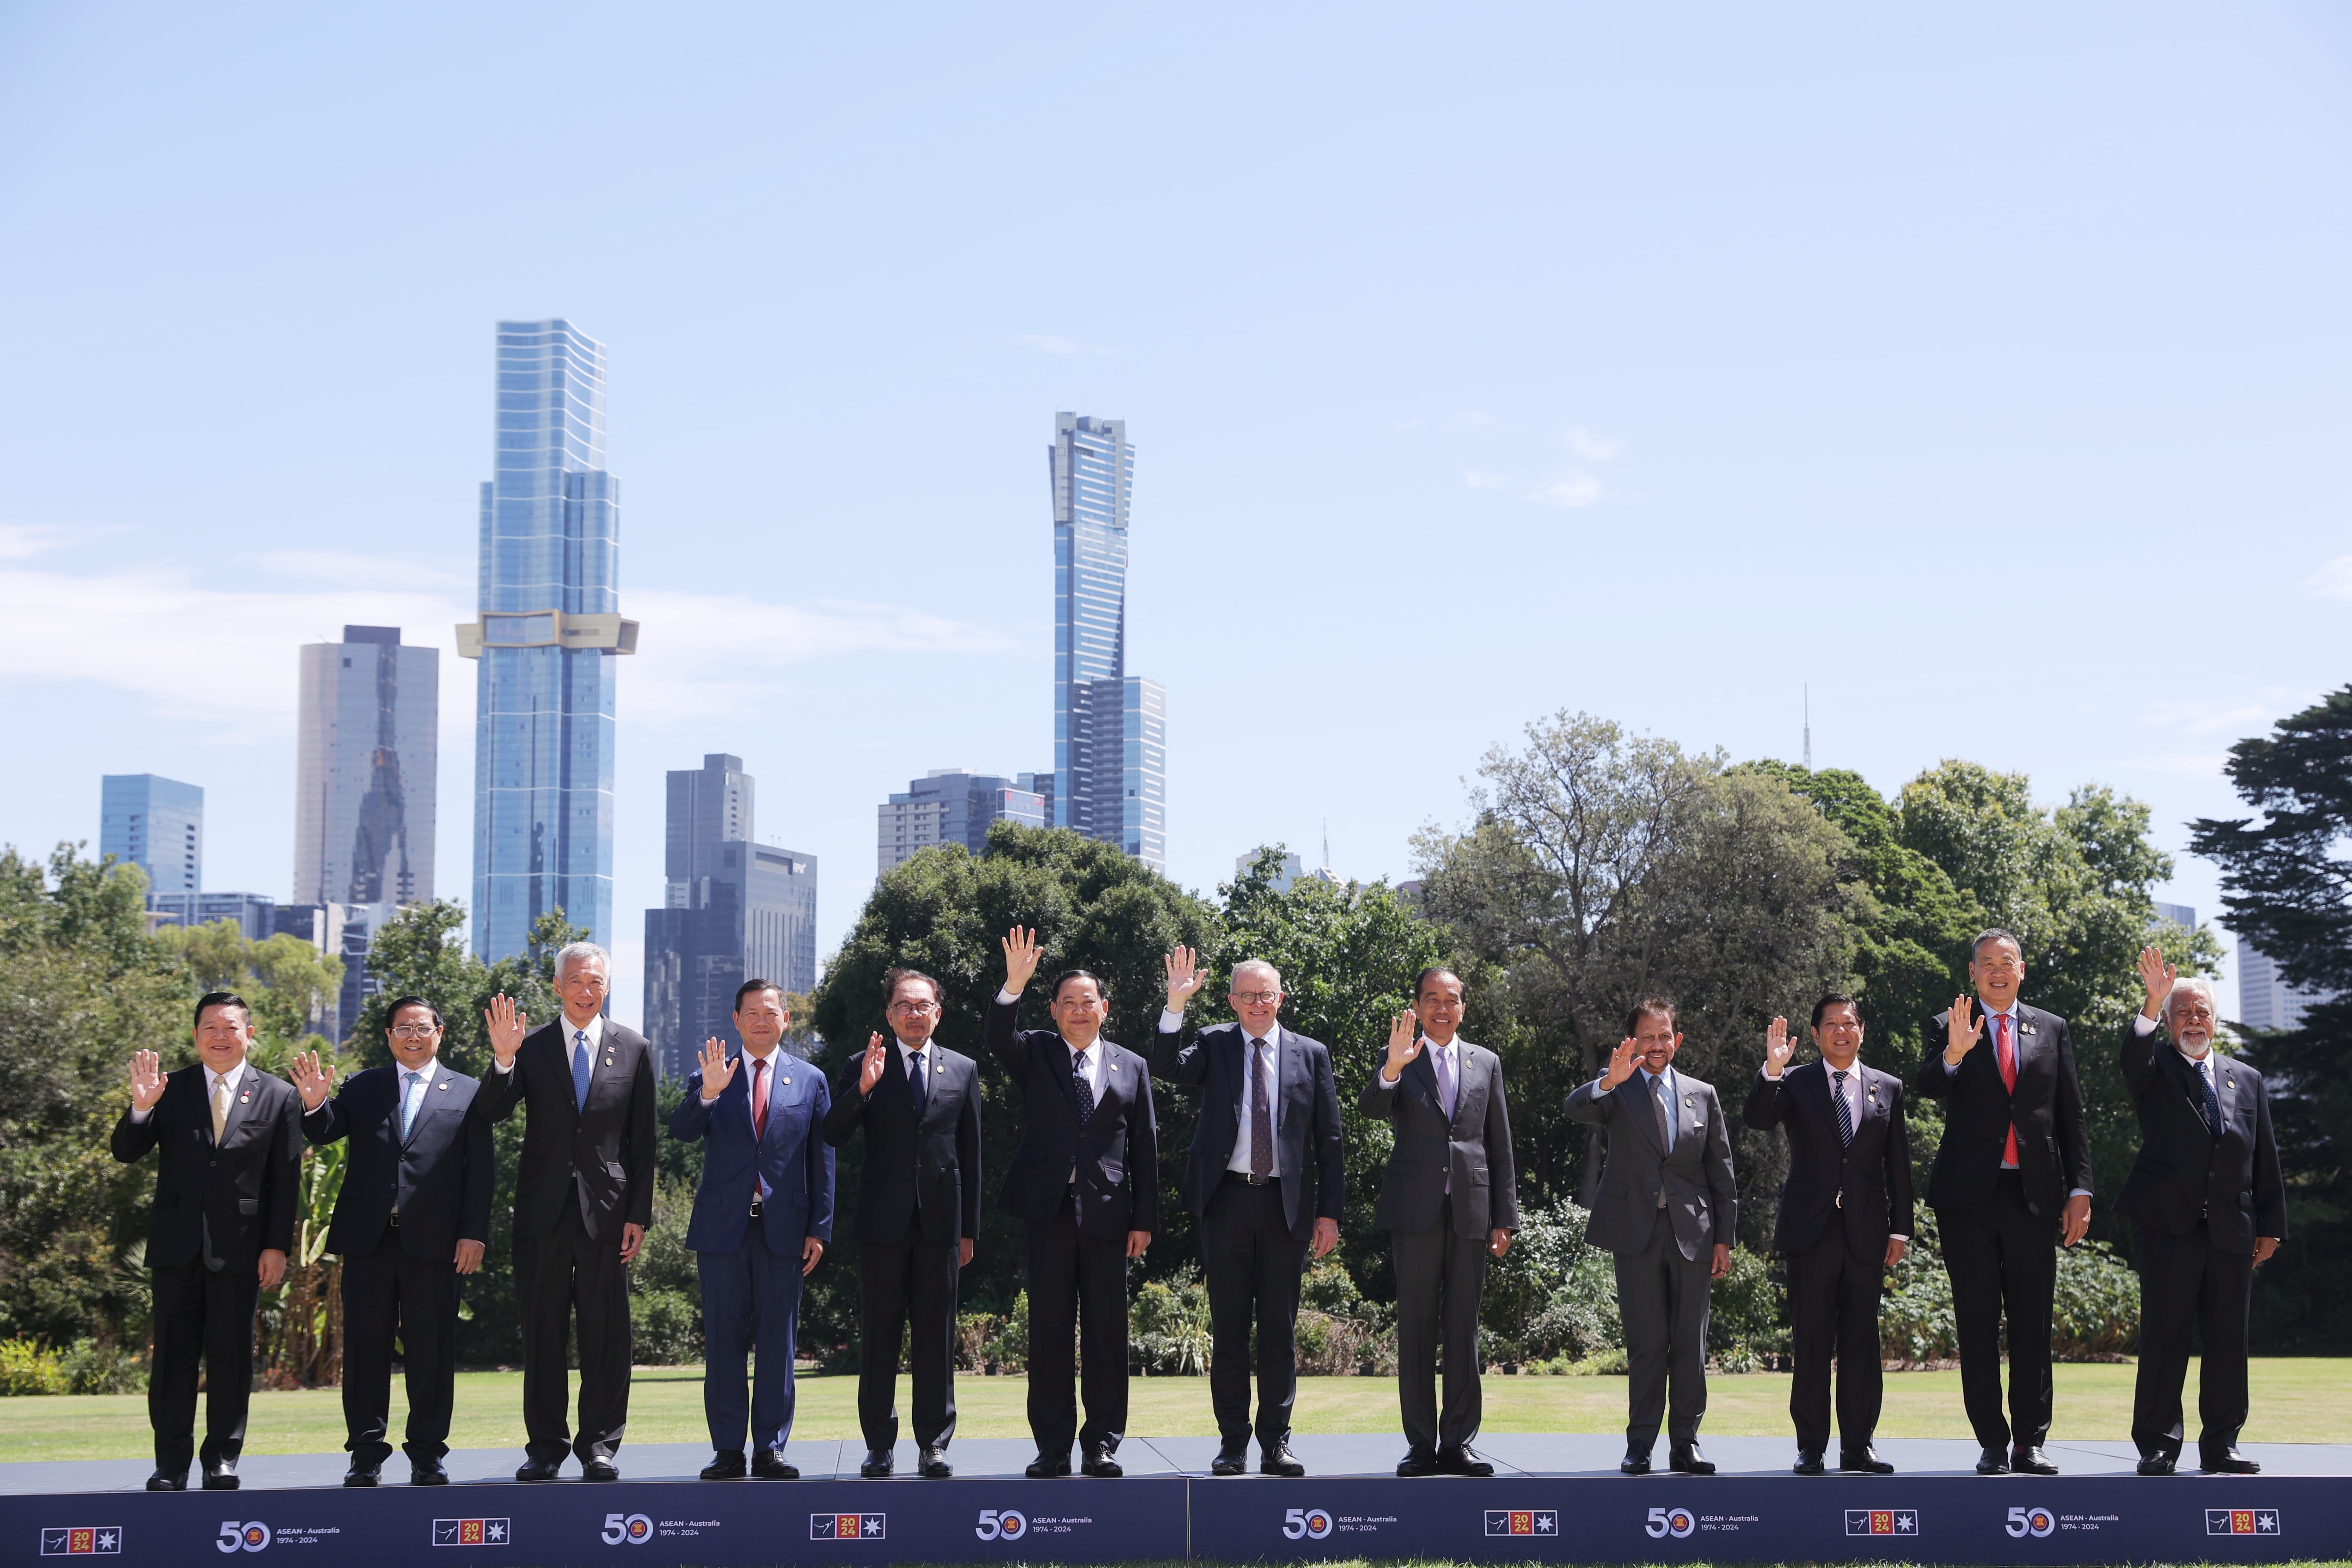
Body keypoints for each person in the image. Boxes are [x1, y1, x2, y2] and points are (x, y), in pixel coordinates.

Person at [1153, 949, 1344, 1477]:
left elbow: (1329, 1141)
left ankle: (1276, 1444)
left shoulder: (1312, 1054)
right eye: (1247, 995)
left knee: (1279, 1332)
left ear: (1280, 998)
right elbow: (1166, 1067)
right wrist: (1175, 1004)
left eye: (1267, 995)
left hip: (1287, 1206)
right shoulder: (1214, 1044)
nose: (1258, 1004)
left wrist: (1329, 1214)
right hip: (1227, 1202)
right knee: (1231, 1329)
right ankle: (1233, 1442)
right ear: (1232, 1000)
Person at [290, 998, 494, 1487]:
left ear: (440, 1034)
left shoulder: (468, 1091)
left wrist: (474, 1234)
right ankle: (365, 1454)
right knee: (365, 1352)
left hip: (438, 1244)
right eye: (403, 1028)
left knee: (432, 1352)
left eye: (422, 1028)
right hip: (369, 1242)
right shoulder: (364, 1086)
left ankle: (427, 1453)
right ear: (388, 1036)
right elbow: (325, 1132)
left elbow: (480, 1172)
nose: (413, 1036)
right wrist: (316, 1102)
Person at [1912, 929, 2094, 1476]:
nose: (1997, 970)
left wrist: (2080, 1188)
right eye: (1986, 963)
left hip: (2035, 1196)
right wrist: (1954, 1053)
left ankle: (2030, 1442)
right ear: (1972, 973)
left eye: (2006, 962)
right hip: (1968, 1199)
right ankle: (1992, 1441)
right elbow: (1926, 1086)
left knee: (2033, 1324)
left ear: (2022, 969)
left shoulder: (2053, 1028)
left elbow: (2071, 1115)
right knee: (1975, 1320)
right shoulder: (1949, 1025)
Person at [111, 992, 303, 1492]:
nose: (221, 1036)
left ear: (249, 1033)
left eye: (230, 1027)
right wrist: (140, 1106)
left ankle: (222, 1458)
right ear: (196, 1036)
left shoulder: (279, 1095)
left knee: (231, 1358)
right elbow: (126, 1152)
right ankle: (170, 1465)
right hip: (177, 1247)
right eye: (210, 1028)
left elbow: (285, 1182)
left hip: (242, 1249)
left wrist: (276, 1245)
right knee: (173, 1360)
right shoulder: (167, 1087)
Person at [482, 941, 658, 1482]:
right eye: (577, 981)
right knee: (543, 1333)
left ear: (608, 987)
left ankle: (600, 1445)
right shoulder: (529, 1048)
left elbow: (643, 1141)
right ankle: (546, 1448)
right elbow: (491, 1112)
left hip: (609, 1214)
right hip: (543, 1213)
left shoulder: (635, 1047)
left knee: (607, 1335)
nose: (587, 991)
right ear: (557, 986)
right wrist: (503, 1058)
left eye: (597, 982)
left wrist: (640, 1214)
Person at [988, 926, 1158, 1479]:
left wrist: (1145, 1220)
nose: (1079, 1012)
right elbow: (997, 1036)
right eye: (1068, 1004)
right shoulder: (1035, 1051)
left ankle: (1102, 1443)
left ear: (1104, 1009)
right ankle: (1054, 1446)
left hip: (1110, 1215)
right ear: (1055, 1011)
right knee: (1050, 1333)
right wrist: (1013, 985)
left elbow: (1146, 1150)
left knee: (1108, 1335)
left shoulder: (1131, 1065)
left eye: (1088, 1003)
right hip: (1049, 1211)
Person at [2119, 946, 2285, 1476]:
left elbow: (2264, 1158)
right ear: (2169, 1021)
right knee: (2165, 1338)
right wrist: (2152, 1000)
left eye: (2202, 1011)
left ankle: (2222, 1445)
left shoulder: (2247, 1078)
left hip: (2233, 1232)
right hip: (2171, 1226)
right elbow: (2133, 1057)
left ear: (2215, 1020)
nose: (2194, 1019)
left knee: (2227, 1343)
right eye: (2183, 1011)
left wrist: (2271, 1226)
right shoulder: (2156, 1067)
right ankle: (2159, 1445)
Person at [669, 980, 835, 1480]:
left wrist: (820, 1228)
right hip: (723, 1231)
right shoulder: (713, 1073)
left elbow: (822, 1159)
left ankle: (770, 1448)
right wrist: (709, 1093)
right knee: (723, 1343)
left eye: (771, 1012)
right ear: (737, 1020)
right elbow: (681, 1130)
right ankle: (727, 1450)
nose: (762, 1020)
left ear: (786, 1019)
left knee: (778, 1343)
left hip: (786, 1230)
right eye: (751, 1013)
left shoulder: (810, 1079)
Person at [820, 967, 981, 1479]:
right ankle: (879, 1445)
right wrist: (863, 1088)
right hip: (882, 1227)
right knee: (880, 1338)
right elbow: (833, 1133)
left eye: (923, 1006)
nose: (915, 1014)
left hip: (941, 1228)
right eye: (904, 1006)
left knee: (937, 1337)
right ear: (889, 1014)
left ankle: (934, 1443)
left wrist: (968, 1230)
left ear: (938, 1013)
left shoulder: (962, 1068)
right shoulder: (863, 1065)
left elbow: (972, 1156)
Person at [1566, 997, 1737, 1476]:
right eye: (1648, 1037)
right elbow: (1573, 1108)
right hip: (1635, 1233)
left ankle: (1686, 1443)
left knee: (1690, 1344)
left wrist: (1724, 1239)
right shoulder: (1616, 1089)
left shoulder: (1702, 1094)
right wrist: (1608, 1080)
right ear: (1632, 1041)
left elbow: (1721, 1173)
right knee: (1646, 1344)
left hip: (1695, 1236)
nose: (1657, 1045)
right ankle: (1640, 1444)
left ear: (1677, 1040)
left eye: (1665, 1037)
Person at [1743, 995, 1913, 1475]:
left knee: (1863, 1343)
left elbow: (1897, 1165)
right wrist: (1773, 1069)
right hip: (1810, 1231)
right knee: (1812, 1342)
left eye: (1850, 1023)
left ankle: (1859, 1446)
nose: (1841, 1031)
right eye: (1831, 1025)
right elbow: (1757, 1119)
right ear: (1815, 1036)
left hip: (1867, 1233)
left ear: (1862, 1031)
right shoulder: (1794, 1082)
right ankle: (1811, 1446)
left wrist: (1900, 1229)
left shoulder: (1888, 1087)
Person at [1359, 966, 1519, 1478]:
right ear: (1418, 1008)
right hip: (1415, 1213)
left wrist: (1505, 1217)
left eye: (1451, 1000)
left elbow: (1499, 1143)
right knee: (1417, 1329)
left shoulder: (1487, 1062)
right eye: (1431, 999)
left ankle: (1458, 1443)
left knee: (1463, 1331)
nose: (1442, 1008)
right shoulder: (1402, 1054)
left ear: (1463, 1008)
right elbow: (1370, 1108)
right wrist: (1391, 1067)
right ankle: (1420, 1444)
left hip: (1472, 1212)